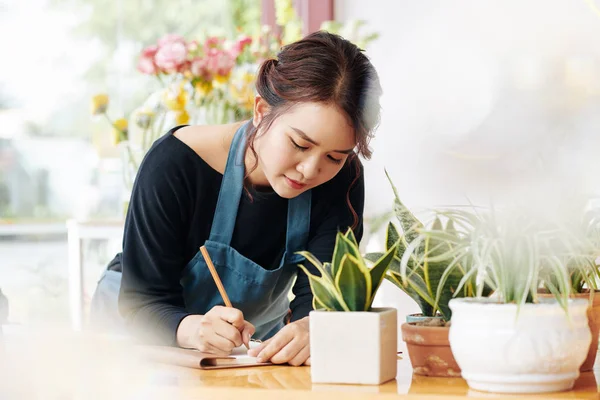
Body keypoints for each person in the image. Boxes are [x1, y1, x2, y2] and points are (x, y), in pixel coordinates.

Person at [90, 30, 382, 367]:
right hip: (134, 339)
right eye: (300, 144)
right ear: (261, 110)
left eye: (334, 157)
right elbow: (143, 301)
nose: (310, 169)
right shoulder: (176, 164)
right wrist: (194, 330)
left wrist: (310, 328)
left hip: (236, 356)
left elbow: (322, 297)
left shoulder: (342, 178)